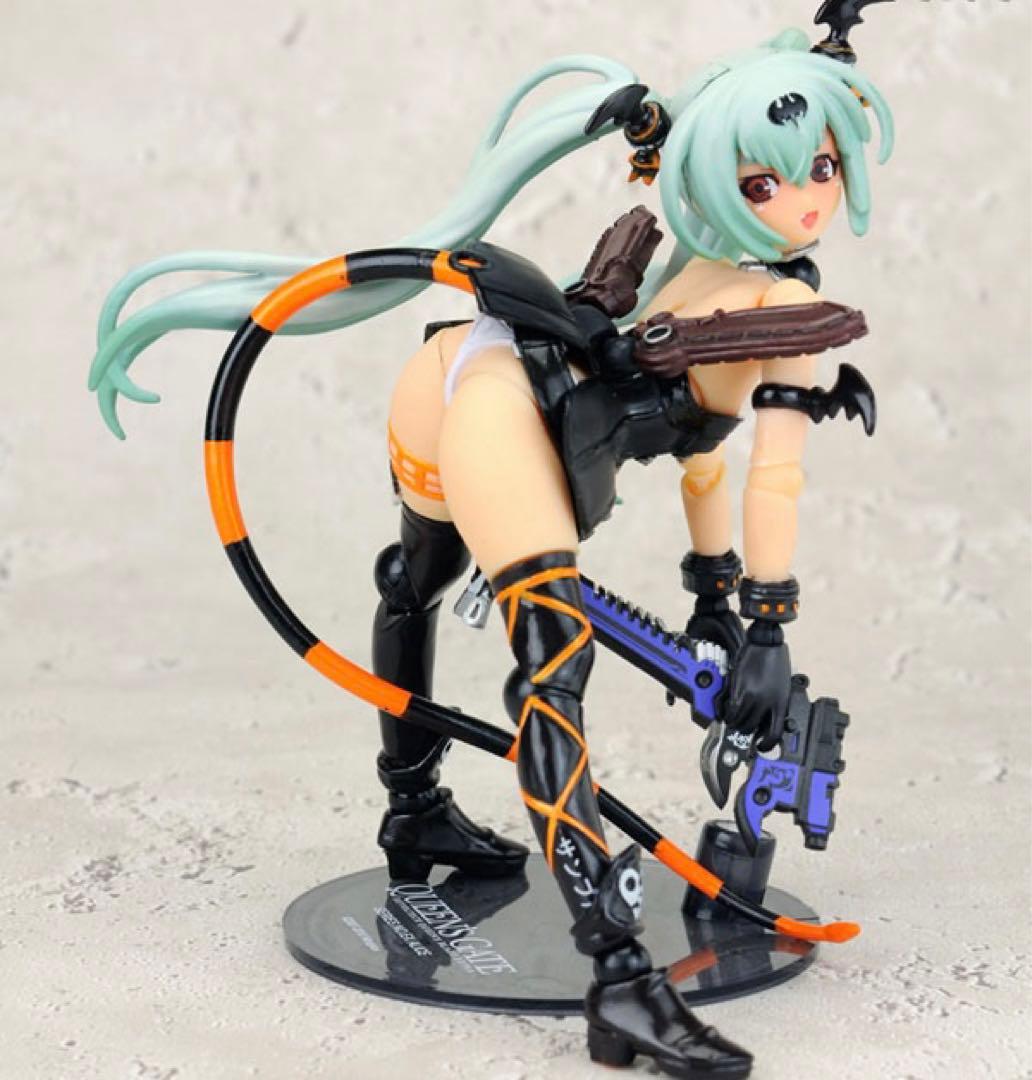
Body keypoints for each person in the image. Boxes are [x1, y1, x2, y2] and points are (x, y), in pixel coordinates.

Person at [89, 24, 891, 1080]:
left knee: (413, 581)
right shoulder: (785, 308)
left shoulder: (704, 267)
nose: (807, 197)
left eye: (822, 168)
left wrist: (715, 594)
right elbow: (767, 477)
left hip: (454, 368)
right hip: (502, 406)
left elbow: (704, 460)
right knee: (553, 668)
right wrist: (768, 628)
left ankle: (415, 812)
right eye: (767, 180)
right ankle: (620, 981)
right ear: (714, 174)